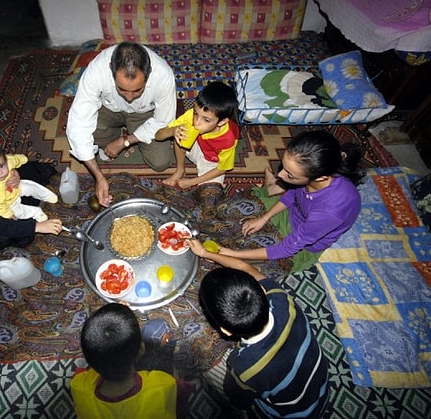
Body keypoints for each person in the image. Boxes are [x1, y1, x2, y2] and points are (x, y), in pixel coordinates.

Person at [185, 238, 330, 418]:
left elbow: (237, 400)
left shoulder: (243, 365)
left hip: (289, 414)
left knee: (213, 375)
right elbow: (246, 269)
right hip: (321, 389)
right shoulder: (282, 300)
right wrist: (205, 253)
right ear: (262, 290)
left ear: (226, 331)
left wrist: (205, 253)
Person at [218, 130, 364, 272]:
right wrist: (264, 218)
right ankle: (272, 188)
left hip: (303, 245)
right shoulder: (314, 173)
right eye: (284, 168)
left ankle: (271, 188)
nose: (280, 174)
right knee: (226, 210)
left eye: (290, 174)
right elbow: (293, 194)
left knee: (242, 267)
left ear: (319, 178)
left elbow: (286, 249)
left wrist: (233, 254)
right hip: (291, 212)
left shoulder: (331, 210)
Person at [66, 41, 177, 207]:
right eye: (122, 89)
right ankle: (112, 135)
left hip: (144, 114)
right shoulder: (96, 70)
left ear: (149, 73)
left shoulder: (164, 75)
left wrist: (125, 142)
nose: (129, 98)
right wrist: (99, 177)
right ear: (111, 69)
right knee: (87, 132)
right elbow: (78, 123)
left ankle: (120, 137)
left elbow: (163, 122)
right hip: (109, 109)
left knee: (160, 162)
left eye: (138, 90)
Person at [70, 303, 191, 419]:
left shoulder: (78, 385)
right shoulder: (163, 385)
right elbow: (182, 401)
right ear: (141, 349)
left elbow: (80, 373)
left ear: (88, 360)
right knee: (159, 338)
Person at [155, 81, 240, 188]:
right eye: (196, 113)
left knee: (211, 193)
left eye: (206, 120)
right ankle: (180, 170)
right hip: (197, 148)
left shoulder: (228, 138)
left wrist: (191, 182)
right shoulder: (190, 116)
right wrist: (173, 130)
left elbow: (222, 169)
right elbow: (158, 136)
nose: (196, 122)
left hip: (213, 163)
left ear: (222, 122)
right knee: (181, 133)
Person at [0, 142, 58, 222]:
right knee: (18, 212)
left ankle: (46, 195)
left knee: (29, 185)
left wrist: (23, 158)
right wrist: (7, 214)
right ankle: (37, 213)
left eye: (2, 166)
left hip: (14, 187)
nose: (0, 172)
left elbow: (15, 159)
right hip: (6, 202)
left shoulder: (7, 161)